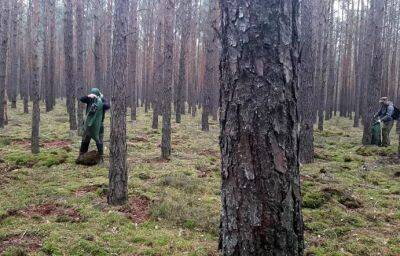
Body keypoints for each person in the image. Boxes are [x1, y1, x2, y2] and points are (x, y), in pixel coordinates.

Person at [78, 88, 110, 163]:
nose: (94, 95)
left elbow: (107, 106)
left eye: (95, 94)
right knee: (85, 140)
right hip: (89, 124)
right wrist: (88, 96)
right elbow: (81, 99)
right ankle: (82, 155)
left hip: (99, 125)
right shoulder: (90, 99)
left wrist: (100, 101)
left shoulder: (102, 99)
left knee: (99, 141)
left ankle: (101, 157)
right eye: (93, 94)